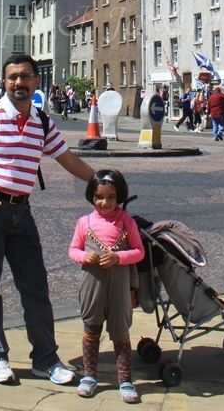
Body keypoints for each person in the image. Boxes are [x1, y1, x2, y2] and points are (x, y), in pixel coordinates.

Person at [0, 53, 95, 386]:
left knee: (36, 288)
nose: (19, 83)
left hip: (22, 212)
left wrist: (101, 182)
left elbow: (67, 158)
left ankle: (45, 359)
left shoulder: (42, 121)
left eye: (25, 77)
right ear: (4, 82)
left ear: (35, 81)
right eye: (12, 77)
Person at [68, 169, 144, 403]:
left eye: (111, 197)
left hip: (119, 284)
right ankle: (89, 376)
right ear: (92, 196)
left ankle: (125, 380)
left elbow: (139, 252)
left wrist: (118, 257)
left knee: (120, 331)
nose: (105, 202)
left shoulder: (126, 222)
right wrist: (84, 257)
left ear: (119, 196)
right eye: (100, 196)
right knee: (91, 327)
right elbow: (73, 250)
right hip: (92, 283)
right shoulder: (84, 222)